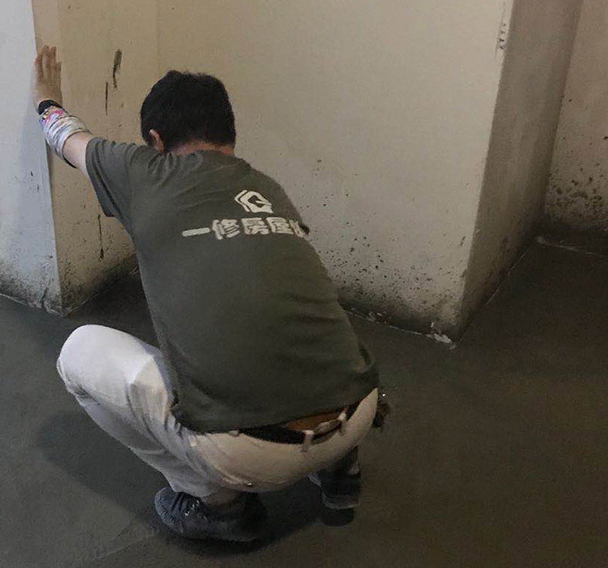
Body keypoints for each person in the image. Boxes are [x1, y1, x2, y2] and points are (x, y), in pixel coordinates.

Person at [34, 46, 380, 542]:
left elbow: (66, 138)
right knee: (296, 315)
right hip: (361, 406)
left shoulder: (142, 171)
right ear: (228, 133)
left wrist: (46, 99)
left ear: (156, 140)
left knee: (77, 352)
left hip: (252, 456)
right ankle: (340, 469)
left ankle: (218, 504)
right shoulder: (268, 189)